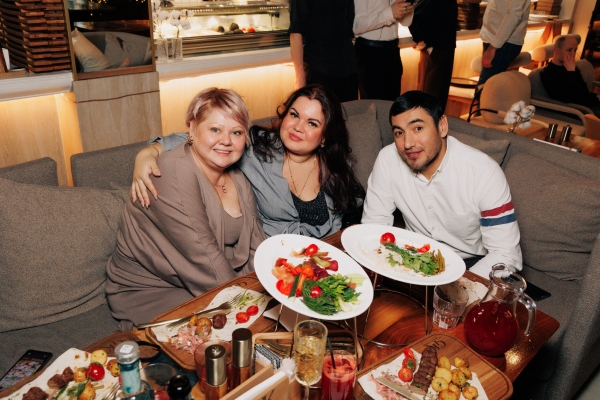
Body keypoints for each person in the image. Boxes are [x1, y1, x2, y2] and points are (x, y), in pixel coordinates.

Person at [106, 88, 266, 330]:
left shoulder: (237, 177)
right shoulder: (172, 173)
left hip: (213, 278)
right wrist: (249, 304)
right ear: (192, 129)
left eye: (236, 132)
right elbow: (204, 256)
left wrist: (265, 290)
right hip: (153, 290)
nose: (226, 141)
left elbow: (256, 243)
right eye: (215, 129)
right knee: (222, 336)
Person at [132, 85, 364, 239]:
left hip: (323, 261)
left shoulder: (336, 167)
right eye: (294, 115)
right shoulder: (256, 148)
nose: (297, 127)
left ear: (324, 137)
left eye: (312, 123)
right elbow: (203, 137)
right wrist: (148, 153)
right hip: (272, 263)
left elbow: (344, 221)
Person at [362, 90, 522, 278]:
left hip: (470, 265)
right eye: (399, 132)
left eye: (418, 128)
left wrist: (459, 287)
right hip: (412, 258)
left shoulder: (483, 172)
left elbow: (506, 254)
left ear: (442, 126)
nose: (407, 143)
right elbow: (373, 226)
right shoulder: (388, 159)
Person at [289, 0, 358, 102]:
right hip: (319, 70)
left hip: (348, 70)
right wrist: (300, 78)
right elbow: (295, 33)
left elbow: (349, 26)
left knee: (349, 112)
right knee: (320, 111)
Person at [353, 0, 413, 101]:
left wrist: (406, 7)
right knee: (373, 106)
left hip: (393, 52)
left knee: (392, 104)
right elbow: (356, 25)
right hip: (369, 54)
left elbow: (406, 22)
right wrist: (390, 13)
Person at [409, 0, 458, 110]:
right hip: (435, 49)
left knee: (439, 96)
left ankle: (436, 120)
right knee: (430, 96)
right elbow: (413, 17)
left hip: (446, 47)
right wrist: (419, 39)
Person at [540, 35, 600, 118]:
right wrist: (571, 73)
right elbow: (566, 98)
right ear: (557, 50)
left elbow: (584, 91)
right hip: (582, 111)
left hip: (592, 104)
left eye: (575, 50)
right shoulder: (548, 73)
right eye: (569, 50)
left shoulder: (571, 67)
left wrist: (573, 71)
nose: (573, 54)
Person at [477, 0, 530, 87]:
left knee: (486, 87)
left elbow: (514, 15)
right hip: (495, 39)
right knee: (487, 86)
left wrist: (493, 48)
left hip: (504, 42)